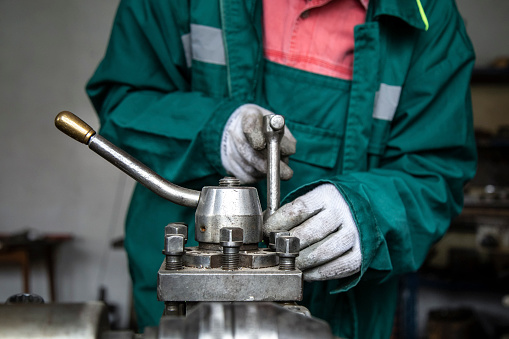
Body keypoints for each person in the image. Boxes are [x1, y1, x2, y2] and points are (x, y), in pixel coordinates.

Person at [86, 0, 476, 338]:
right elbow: (123, 98)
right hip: (183, 308)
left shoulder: (427, 14)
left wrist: (370, 214)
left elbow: (436, 170)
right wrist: (214, 131)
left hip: (345, 317)